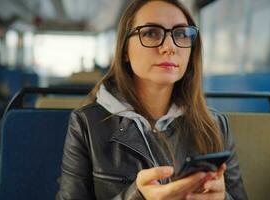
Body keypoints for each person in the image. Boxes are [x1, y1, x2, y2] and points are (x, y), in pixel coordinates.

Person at [58, 0, 247, 199]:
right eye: (151, 33)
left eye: (181, 34)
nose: (169, 47)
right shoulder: (87, 124)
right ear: (124, 52)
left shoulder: (215, 125)